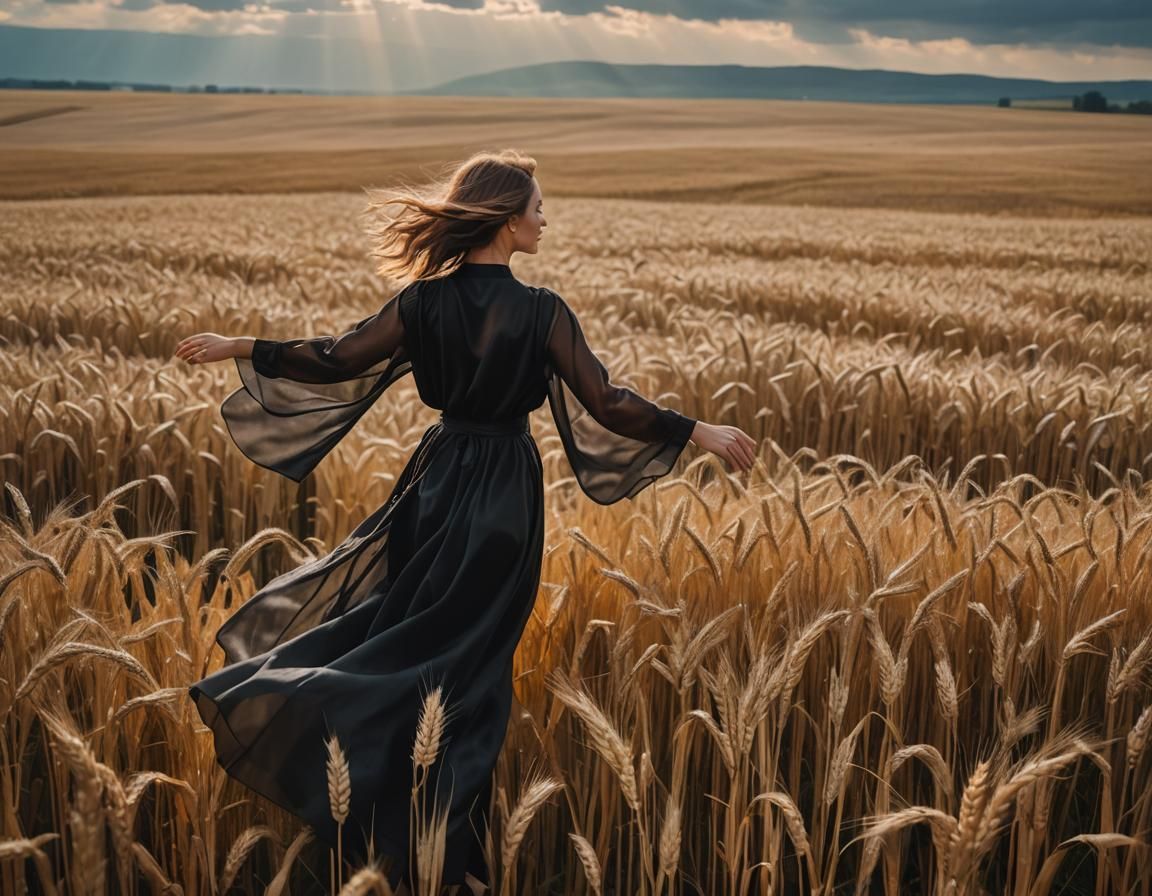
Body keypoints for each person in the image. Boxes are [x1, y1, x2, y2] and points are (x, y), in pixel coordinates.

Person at [178, 149, 757, 895]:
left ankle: (370, 785)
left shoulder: (422, 304)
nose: (546, 219)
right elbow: (606, 403)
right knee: (474, 671)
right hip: (505, 499)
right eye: (538, 207)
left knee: (405, 632)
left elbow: (335, 358)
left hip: (435, 480)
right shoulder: (543, 311)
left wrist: (244, 346)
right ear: (506, 218)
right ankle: (452, 859)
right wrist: (695, 431)